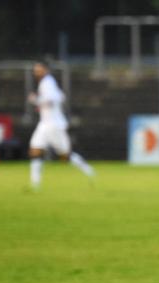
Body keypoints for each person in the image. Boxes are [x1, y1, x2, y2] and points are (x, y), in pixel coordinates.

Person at [28, 61, 94, 190]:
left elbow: (51, 100)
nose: (36, 72)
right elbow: (61, 97)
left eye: (39, 69)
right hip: (45, 124)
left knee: (65, 155)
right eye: (35, 70)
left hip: (54, 125)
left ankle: (87, 169)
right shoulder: (47, 83)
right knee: (35, 150)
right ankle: (35, 184)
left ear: (45, 70)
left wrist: (35, 100)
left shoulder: (47, 82)